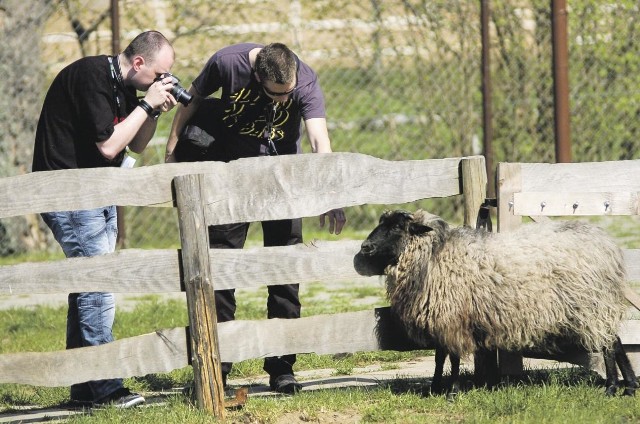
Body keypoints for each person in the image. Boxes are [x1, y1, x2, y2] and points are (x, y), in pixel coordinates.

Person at [165, 42, 347, 394]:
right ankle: (217, 366)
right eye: (275, 94)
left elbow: (318, 139)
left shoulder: (304, 79)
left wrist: (330, 195)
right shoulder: (226, 64)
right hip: (230, 177)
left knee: (285, 270)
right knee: (220, 268)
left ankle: (282, 368)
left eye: (287, 94)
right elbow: (192, 103)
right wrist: (172, 151)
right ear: (258, 77)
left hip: (282, 181)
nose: (282, 101)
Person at [32, 30, 178, 408]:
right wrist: (146, 104)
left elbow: (136, 144)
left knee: (87, 287)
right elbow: (109, 145)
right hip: (69, 193)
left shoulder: (128, 84)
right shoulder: (91, 77)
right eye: (159, 74)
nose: (161, 81)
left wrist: (154, 111)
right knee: (98, 287)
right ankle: (107, 389)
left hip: (97, 192)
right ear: (140, 62)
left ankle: (83, 389)